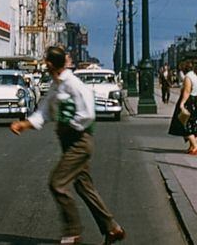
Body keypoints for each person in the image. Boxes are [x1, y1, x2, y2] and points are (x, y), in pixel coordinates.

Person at [10, 46, 125, 245]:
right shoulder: (56, 85)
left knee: (57, 183)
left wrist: (69, 125)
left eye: (47, 61)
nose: (45, 64)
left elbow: (88, 113)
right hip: (69, 141)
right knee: (83, 185)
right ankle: (112, 228)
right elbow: (44, 111)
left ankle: (73, 233)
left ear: (52, 65)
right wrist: (24, 124)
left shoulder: (74, 84)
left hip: (79, 141)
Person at [169, 60, 197, 154]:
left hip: (189, 101)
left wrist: (182, 103)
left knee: (183, 124)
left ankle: (195, 145)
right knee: (192, 124)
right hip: (195, 101)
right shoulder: (196, 77)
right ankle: (192, 146)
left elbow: (187, 91)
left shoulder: (188, 77)